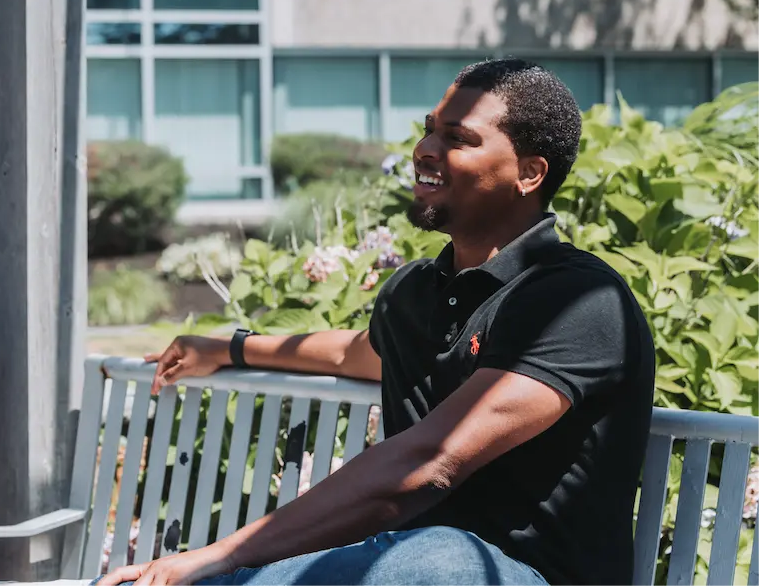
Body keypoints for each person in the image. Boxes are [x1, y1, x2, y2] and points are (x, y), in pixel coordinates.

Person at [95, 59, 656, 586]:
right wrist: (231, 348)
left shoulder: (577, 299)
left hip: (510, 575)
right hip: (405, 566)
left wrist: (219, 557)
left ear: (530, 174)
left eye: (458, 139)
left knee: (442, 558)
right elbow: (353, 354)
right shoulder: (416, 292)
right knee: (423, 555)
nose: (426, 150)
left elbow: (428, 462)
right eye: (430, 130)